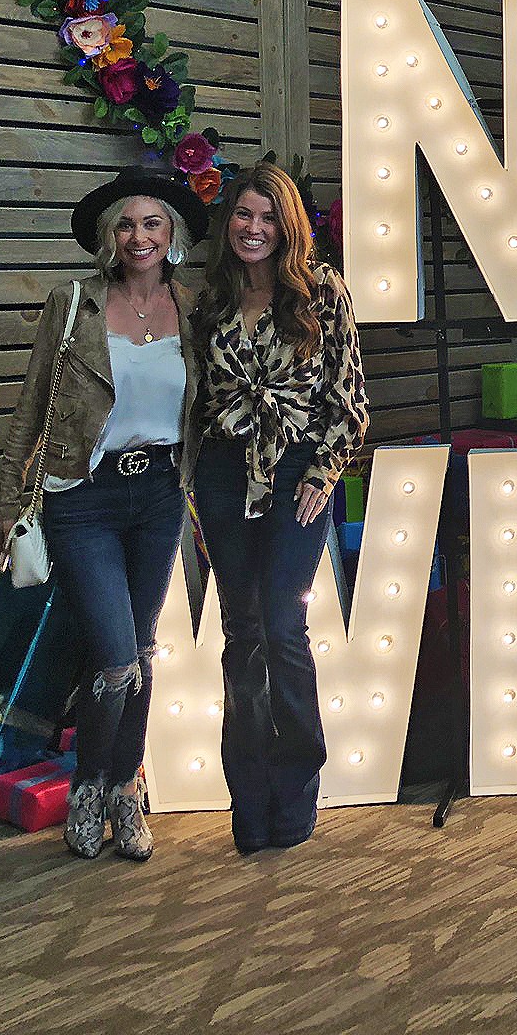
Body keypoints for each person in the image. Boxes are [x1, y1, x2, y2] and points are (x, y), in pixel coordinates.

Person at [0, 166, 210, 860]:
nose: (139, 235)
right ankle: (90, 783)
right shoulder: (73, 304)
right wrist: (7, 499)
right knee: (115, 658)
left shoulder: (194, 309)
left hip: (158, 496)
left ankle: (126, 791)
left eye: (152, 223)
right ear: (108, 236)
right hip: (83, 498)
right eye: (126, 223)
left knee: (142, 651)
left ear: (171, 234)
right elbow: (31, 407)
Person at [190, 161, 369, 853]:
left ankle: (297, 786)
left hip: (299, 471)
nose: (254, 228)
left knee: (283, 624)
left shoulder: (322, 293)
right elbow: (198, 401)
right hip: (222, 473)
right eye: (243, 215)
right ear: (227, 223)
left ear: (287, 226)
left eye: (268, 217)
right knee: (240, 631)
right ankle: (249, 796)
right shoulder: (208, 300)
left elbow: (349, 403)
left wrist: (322, 475)